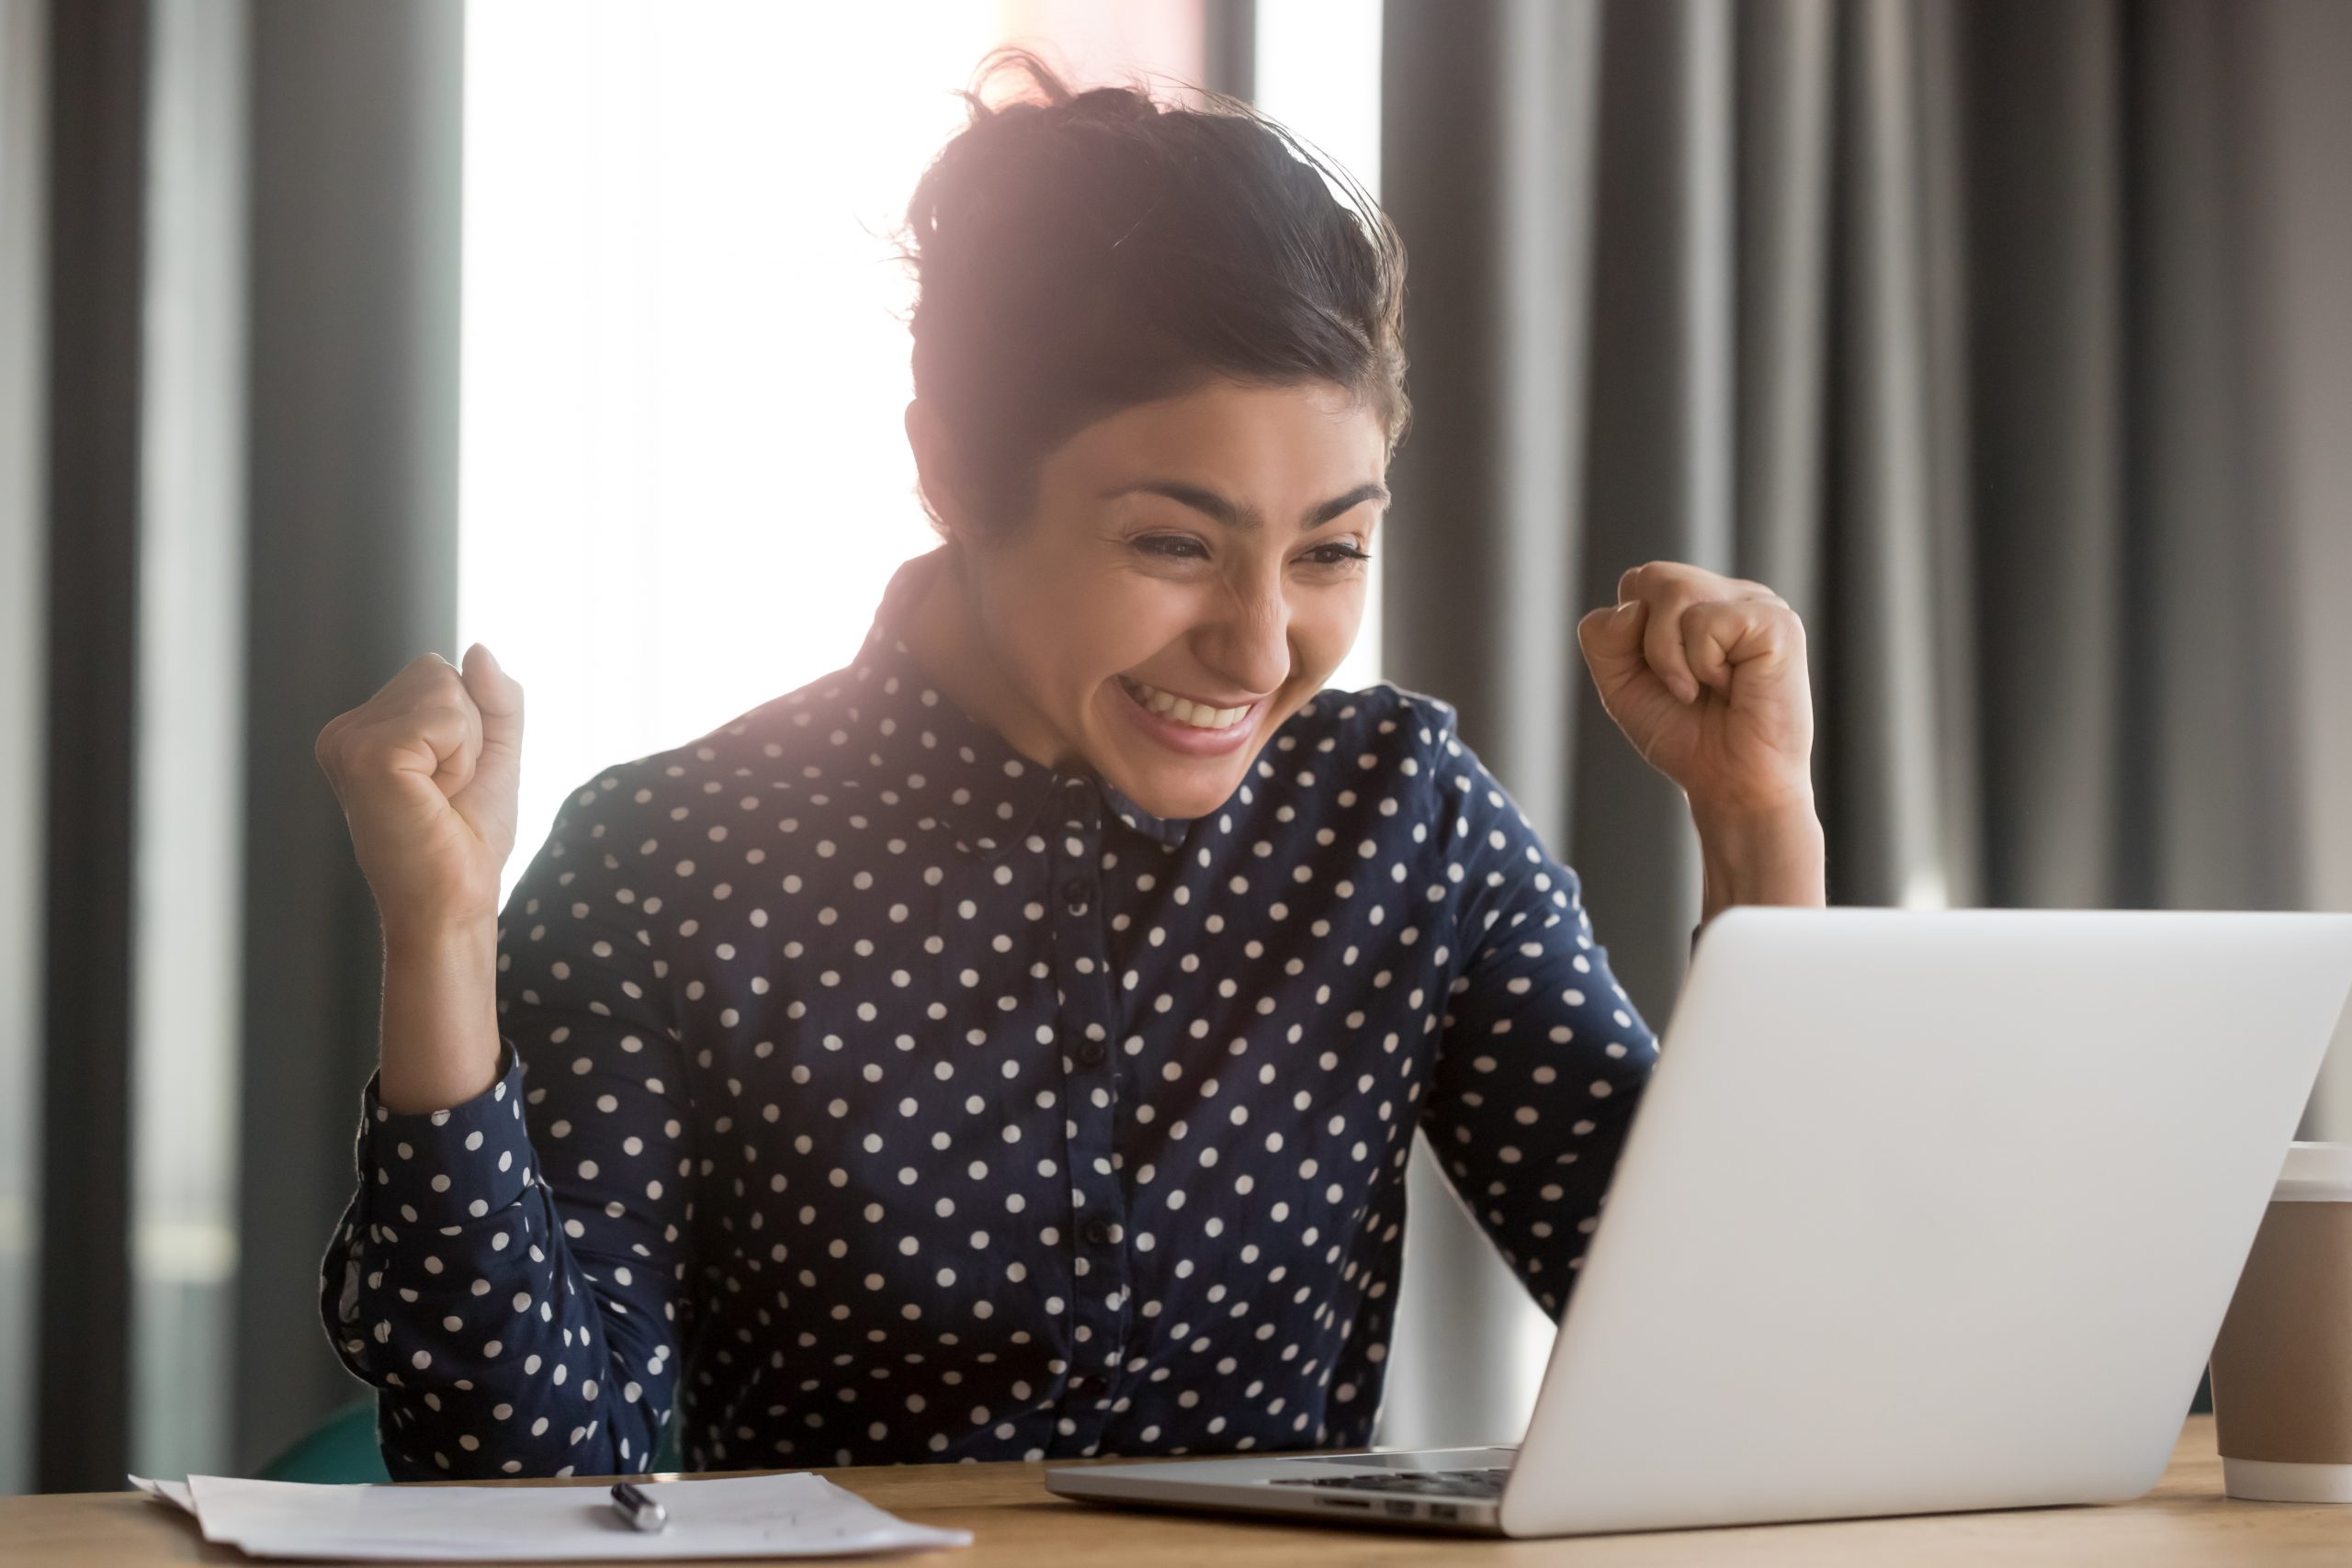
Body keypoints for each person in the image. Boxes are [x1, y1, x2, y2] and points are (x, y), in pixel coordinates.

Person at [312, 52, 1824, 1482]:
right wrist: (442, 942)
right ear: (956, 471)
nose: (1257, 647)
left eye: (1331, 549)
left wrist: (1758, 827)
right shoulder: (669, 859)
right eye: (1175, 543)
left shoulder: (1397, 818)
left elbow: (1738, 1352)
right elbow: (527, 1485)